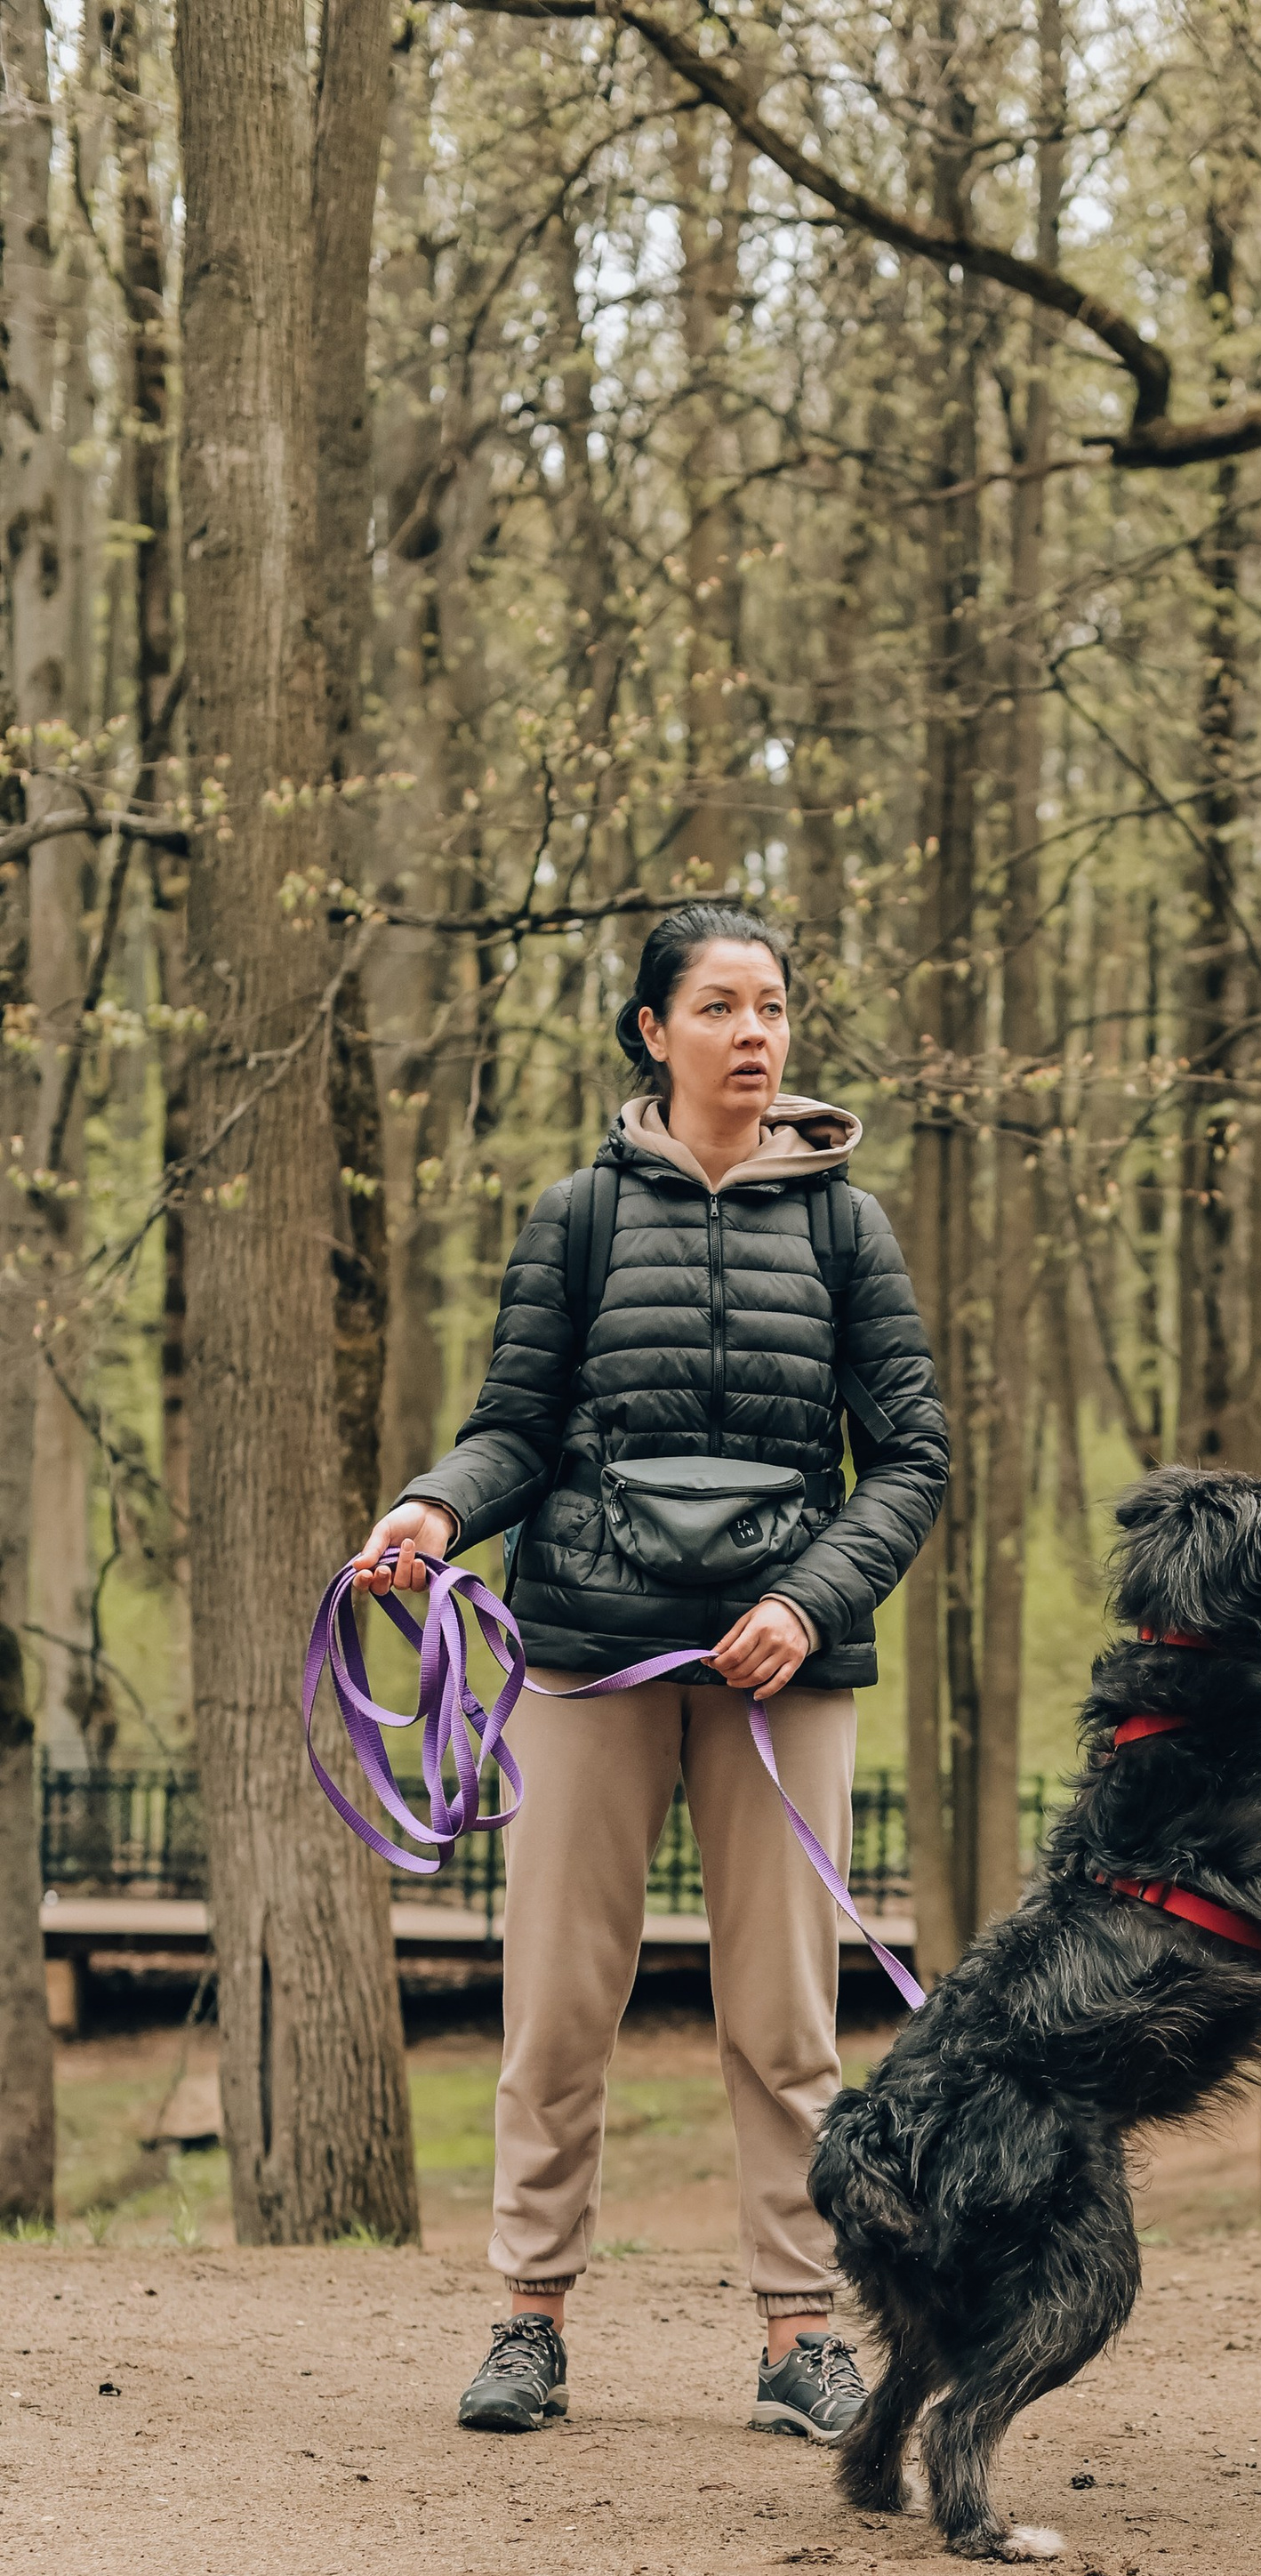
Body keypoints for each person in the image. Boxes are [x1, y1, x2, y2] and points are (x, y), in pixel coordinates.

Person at [352, 904, 947, 2444]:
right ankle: (528, 2321)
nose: (755, 1034)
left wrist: (809, 1606)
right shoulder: (580, 1217)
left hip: (783, 1676)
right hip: (586, 1661)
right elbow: (516, 1428)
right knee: (559, 2004)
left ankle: (802, 2334)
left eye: (774, 1008)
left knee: (784, 2019)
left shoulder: (847, 1229)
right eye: (721, 1008)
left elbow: (912, 1459)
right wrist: (433, 1510)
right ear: (653, 1032)